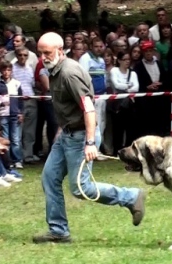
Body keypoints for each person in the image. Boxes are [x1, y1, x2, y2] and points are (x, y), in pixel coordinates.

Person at [32, 32, 147, 244]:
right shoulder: (55, 70)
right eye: (40, 53)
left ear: (59, 51)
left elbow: (89, 108)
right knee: (49, 177)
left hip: (81, 135)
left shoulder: (69, 73)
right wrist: (61, 131)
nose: (43, 57)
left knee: (81, 189)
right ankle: (58, 231)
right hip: (67, 133)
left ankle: (131, 197)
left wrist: (90, 142)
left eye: (46, 53)